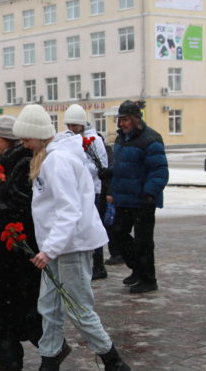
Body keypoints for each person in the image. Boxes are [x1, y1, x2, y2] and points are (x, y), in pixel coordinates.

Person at [13, 104, 130, 371]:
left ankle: (113, 360)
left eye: (26, 138)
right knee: (49, 306)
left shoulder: (57, 161)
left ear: (39, 135)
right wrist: (49, 248)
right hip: (58, 247)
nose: (23, 143)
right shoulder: (49, 158)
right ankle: (49, 358)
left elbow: (69, 209)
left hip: (69, 246)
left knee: (79, 309)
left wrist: (50, 248)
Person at [0, 116, 47, 370]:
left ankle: (52, 348)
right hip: (4, 247)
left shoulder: (24, 164)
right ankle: (7, 357)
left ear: (10, 138)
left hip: (17, 250)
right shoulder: (5, 162)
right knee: (4, 307)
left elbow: (21, 209)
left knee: (18, 306)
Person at [107, 100, 169, 294]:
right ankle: (138, 269)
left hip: (143, 199)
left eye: (125, 120)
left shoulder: (150, 139)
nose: (122, 124)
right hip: (124, 197)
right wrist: (108, 175)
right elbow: (122, 166)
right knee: (118, 234)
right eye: (120, 120)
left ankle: (148, 279)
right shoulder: (120, 139)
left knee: (143, 241)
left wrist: (150, 193)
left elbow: (159, 171)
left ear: (136, 119)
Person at [63, 104, 111, 280]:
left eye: (74, 126)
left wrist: (78, 167)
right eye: (68, 126)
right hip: (77, 190)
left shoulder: (94, 140)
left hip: (94, 190)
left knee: (92, 226)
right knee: (82, 226)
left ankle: (99, 265)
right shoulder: (70, 139)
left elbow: (101, 166)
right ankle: (89, 264)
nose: (71, 129)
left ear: (82, 125)